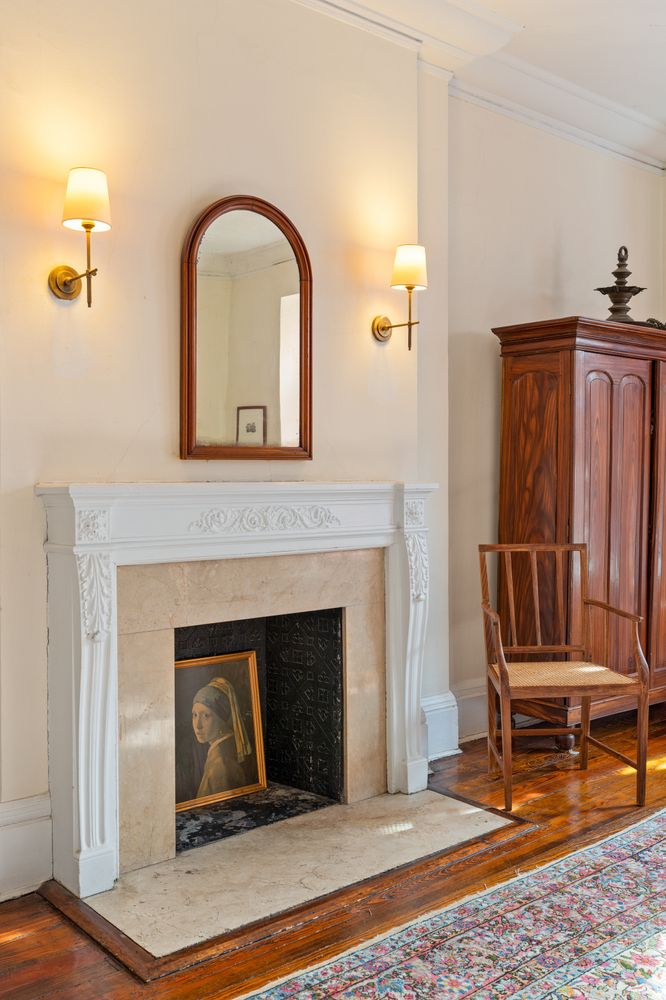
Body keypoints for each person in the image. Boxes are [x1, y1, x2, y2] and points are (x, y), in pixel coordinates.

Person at [191, 677, 253, 798]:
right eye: (194, 715)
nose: (197, 725)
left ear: (221, 719)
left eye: (206, 715)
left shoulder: (221, 764)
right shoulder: (221, 752)